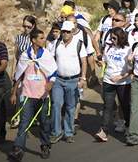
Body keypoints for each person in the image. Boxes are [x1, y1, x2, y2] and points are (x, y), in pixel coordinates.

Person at [9, 29, 57, 160]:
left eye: (43, 38)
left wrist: (50, 86)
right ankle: (18, 149)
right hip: (27, 96)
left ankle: (45, 145)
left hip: (43, 96)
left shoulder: (46, 55)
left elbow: (53, 73)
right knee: (24, 123)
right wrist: (14, 93)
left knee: (44, 123)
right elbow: (18, 75)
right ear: (33, 40)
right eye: (40, 38)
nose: (43, 40)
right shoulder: (25, 56)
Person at [50, 21, 87, 144]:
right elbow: (51, 60)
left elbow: (84, 62)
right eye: (63, 31)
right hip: (58, 80)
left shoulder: (79, 44)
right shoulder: (56, 44)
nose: (65, 34)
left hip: (73, 80)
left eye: (68, 31)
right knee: (56, 105)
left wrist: (83, 78)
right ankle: (56, 132)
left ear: (72, 32)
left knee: (70, 107)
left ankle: (69, 133)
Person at [95, 27, 132, 142]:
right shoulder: (108, 47)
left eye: (114, 38)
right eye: (111, 38)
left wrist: (120, 77)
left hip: (123, 82)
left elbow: (131, 69)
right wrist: (101, 63)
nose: (112, 40)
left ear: (121, 38)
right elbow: (105, 61)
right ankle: (104, 131)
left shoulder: (128, 50)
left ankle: (128, 127)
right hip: (108, 81)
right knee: (108, 106)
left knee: (125, 106)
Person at [10, 15, 37, 128]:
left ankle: (32, 118)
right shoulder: (19, 38)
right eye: (24, 26)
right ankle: (18, 117)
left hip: (32, 70)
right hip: (21, 69)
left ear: (33, 26)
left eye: (29, 27)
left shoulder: (36, 38)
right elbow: (15, 56)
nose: (26, 29)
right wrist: (13, 71)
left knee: (31, 95)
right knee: (19, 93)